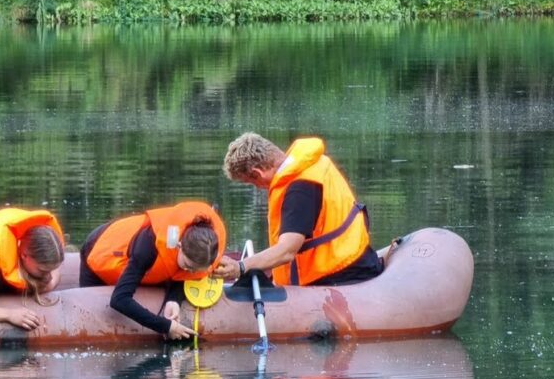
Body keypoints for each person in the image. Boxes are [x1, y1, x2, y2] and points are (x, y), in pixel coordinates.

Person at [218, 134, 382, 286]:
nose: (259, 188)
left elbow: (287, 251)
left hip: (342, 274)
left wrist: (240, 267)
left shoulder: (300, 189)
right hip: (355, 257)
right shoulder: (313, 164)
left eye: (253, 183)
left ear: (257, 173)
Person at [79, 201, 227, 339]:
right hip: (98, 250)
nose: (190, 273)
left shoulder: (206, 249)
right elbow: (119, 300)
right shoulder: (147, 249)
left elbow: (181, 275)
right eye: (188, 266)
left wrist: (173, 300)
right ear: (179, 246)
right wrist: (165, 326)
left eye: (196, 270)